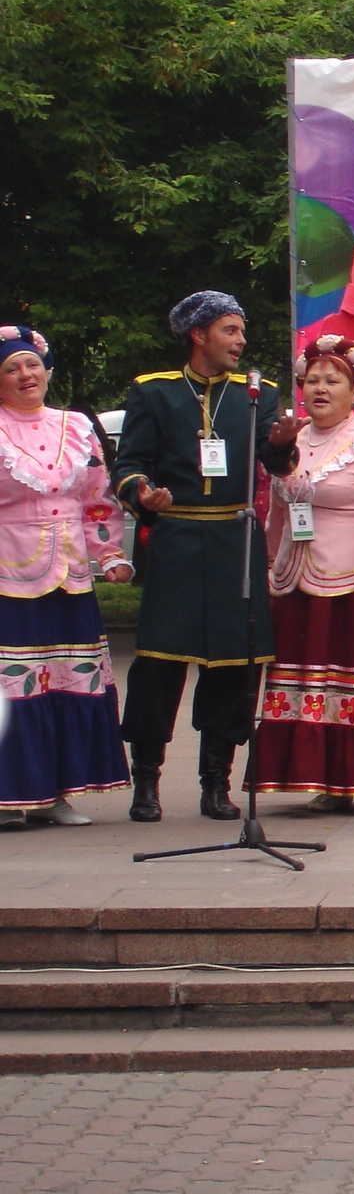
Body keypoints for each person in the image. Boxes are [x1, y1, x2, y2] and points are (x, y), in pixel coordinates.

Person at [114, 291, 301, 822]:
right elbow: (127, 465)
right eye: (230, 331)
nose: (241, 341)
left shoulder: (254, 395)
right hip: (176, 540)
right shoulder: (155, 392)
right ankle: (145, 782)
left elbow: (275, 462)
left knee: (235, 666)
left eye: (241, 331)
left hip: (234, 544)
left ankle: (215, 783)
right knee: (159, 666)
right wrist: (144, 494)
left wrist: (284, 444)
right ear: (199, 335)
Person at [250, 334, 354, 812]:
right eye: (312, 380)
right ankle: (325, 780)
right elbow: (279, 511)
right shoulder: (289, 441)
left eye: (333, 380)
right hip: (300, 577)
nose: (319, 389)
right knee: (312, 681)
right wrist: (271, 563)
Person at [0, 325, 132, 825]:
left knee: (65, 680)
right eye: (11, 368)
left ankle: (58, 793)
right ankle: (11, 795)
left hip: (70, 575)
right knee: (15, 686)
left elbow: (97, 498)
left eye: (31, 365)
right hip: (9, 576)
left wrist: (110, 555)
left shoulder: (76, 425)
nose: (24, 375)